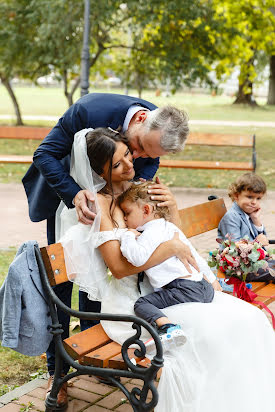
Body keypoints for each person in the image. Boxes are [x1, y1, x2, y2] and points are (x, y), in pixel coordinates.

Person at [58, 128, 275, 412]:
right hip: (133, 304)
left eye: (127, 155)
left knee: (249, 319)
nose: (129, 165)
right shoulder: (99, 203)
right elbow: (121, 269)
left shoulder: (138, 187)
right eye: (117, 165)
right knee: (213, 332)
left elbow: (169, 233)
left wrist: (171, 209)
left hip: (169, 286)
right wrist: (169, 249)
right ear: (100, 171)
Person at [22, 93, 191, 405]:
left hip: (114, 201)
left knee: (99, 278)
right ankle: (55, 370)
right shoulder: (89, 111)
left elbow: (145, 168)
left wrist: (137, 197)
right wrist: (75, 194)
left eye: (144, 154)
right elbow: (44, 155)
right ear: (140, 120)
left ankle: (90, 358)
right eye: (136, 147)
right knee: (62, 282)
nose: (137, 156)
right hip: (67, 195)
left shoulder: (158, 132)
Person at [117, 182, 221, 348]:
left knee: (142, 304)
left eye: (127, 213)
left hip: (183, 289)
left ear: (146, 210)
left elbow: (137, 259)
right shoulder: (169, 227)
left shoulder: (150, 231)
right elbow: (193, 255)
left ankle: (168, 328)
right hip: (202, 286)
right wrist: (211, 279)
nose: (124, 218)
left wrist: (127, 236)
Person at [218, 172, 275, 282]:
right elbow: (234, 249)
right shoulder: (231, 217)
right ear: (236, 195)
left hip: (254, 262)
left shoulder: (248, 213)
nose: (254, 202)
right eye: (249, 197)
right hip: (239, 268)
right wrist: (256, 243)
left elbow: (264, 241)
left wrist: (256, 221)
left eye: (258, 198)